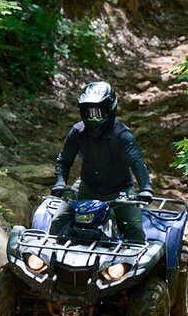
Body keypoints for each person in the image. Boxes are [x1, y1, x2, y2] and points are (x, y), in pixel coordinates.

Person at [51, 80, 153, 243]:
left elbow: (137, 162)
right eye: (88, 113)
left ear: (110, 110)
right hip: (86, 187)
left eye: (97, 113)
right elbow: (64, 160)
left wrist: (145, 188)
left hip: (120, 192)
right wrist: (60, 183)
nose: (93, 118)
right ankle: (49, 256)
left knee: (135, 232)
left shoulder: (122, 135)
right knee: (58, 221)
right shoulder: (78, 132)